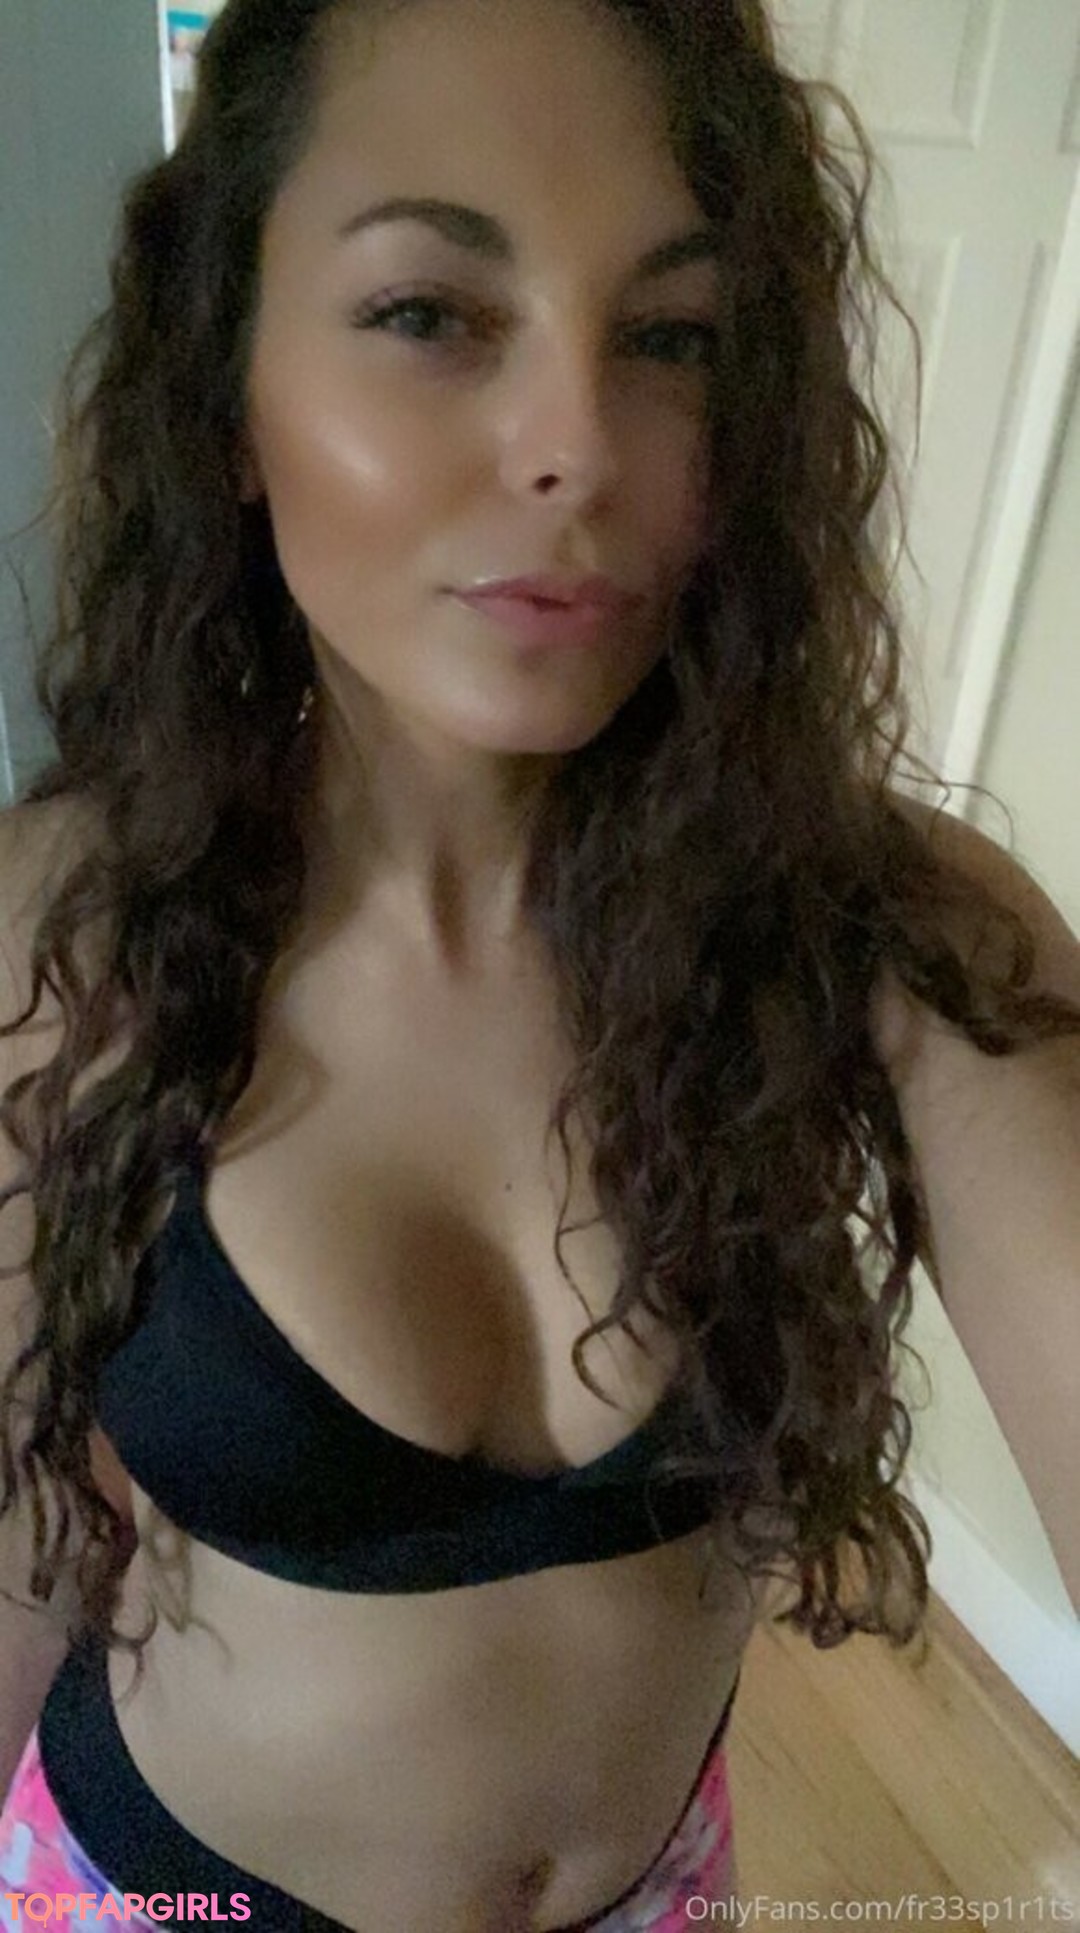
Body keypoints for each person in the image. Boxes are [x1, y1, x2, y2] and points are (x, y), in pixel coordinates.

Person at [0, 1, 1078, 1928]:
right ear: (227, 389)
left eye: (672, 336)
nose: (581, 445)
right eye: (431, 312)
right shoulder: (59, 944)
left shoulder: (906, 952)